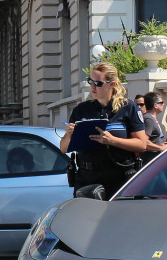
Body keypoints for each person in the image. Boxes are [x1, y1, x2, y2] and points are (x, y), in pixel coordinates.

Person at [60, 63, 148, 198]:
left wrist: (113, 141)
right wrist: (69, 134)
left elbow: (142, 145)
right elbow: (63, 148)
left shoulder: (128, 107)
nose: (93, 87)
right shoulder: (81, 109)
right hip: (87, 177)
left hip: (118, 176)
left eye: (98, 83)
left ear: (111, 84)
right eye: (90, 82)